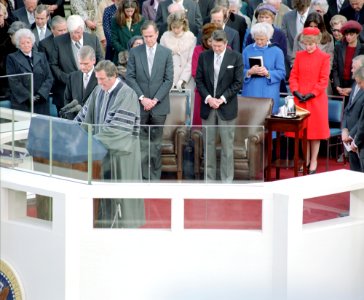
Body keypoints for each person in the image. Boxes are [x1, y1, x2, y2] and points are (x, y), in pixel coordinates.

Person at [75, 60, 145, 228]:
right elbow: (85, 116)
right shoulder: (99, 90)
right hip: (101, 151)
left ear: (114, 76)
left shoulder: (127, 94)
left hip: (121, 154)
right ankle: (104, 223)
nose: (99, 83)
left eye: (102, 79)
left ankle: (124, 226)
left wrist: (93, 141)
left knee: (122, 191)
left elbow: (119, 130)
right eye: (97, 79)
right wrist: (73, 133)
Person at [126, 20, 173, 180]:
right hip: (140, 105)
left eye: (151, 36)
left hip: (159, 107)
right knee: (141, 145)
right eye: (145, 36)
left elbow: (168, 80)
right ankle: (142, 178)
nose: (148, 39)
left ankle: (155, 178)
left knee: (156, 145)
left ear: (157, 34)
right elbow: (130, 77)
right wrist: (142, 98)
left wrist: (154, 100)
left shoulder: (166, 53)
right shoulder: (135, 52)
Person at [195, 29, 243, 182]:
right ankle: (209, 180)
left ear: (226, 44)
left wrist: (221, 99)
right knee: (208, 145)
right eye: (214, 46)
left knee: (227, 147)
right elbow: (199, 80)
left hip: (226, 107)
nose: (216, 49)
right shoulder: (204, 56)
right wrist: (209, 98)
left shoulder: (236, 57)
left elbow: (238, 83)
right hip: (208, 106)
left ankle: (226, 180)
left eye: (219, 46)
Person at [289, 27, 330, 174]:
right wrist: (295, 91)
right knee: (302, 133)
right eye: (306, 44)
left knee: (315, 132)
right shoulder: (299, 55)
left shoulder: (324, 57)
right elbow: (293, 76)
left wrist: (312, 94)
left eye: (311, 44)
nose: (308, 47)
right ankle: (305, 159)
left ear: (317, 42)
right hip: (300, 98)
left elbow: (324, 80)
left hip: (316, 100)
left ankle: (313, 161)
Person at [50, 14, 103, 113]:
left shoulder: (93, 39)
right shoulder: (58, 41)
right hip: (66, 90)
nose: (75, 35)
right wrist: (69, 79)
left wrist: (94, 77)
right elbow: (53, 64)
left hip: (91, 89)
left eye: (78, 32)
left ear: (83, 29)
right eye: (72, 33)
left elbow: (100, 60)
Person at [6, 28, 53, 115]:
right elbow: (13, 81)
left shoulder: (41, 56)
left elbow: (49, 77)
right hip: (23, 103)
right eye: (22, 43)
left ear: (32, 43)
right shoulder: (12, 58)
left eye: (28, 42)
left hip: (41, 102)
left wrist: (40, 95)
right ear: (18, 45)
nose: (26, 45)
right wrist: (28, 97)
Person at [242, 22, 286, 114]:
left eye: (262, 39)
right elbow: (239, 71)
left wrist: (268, 73)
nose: (259, 42)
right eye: (256, 39)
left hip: (269, 92)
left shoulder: (277, 51)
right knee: (250, 122)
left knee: (268, 123)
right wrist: (249, 72)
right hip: (250, 92)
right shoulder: (247, 50)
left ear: (268, 37)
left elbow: (282, 73)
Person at [160, 11, 196, 92]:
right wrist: (169, 79)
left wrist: (183, 79)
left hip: (186, 81)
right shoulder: (165, 37)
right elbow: (161, 60)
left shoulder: (191, 37)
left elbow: (191, 61)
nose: (176, 30)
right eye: (173, 27)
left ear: (183, 24)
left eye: (178, 27)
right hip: (168, 80)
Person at [191, 22, 218, 126]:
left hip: (220, 93)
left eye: (214, 41)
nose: (212, 44)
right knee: (199, 125)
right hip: (202, 92)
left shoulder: (226, 49)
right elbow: (195, 72)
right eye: (209, 41)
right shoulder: (198, 50)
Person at [331, 20, 364, 103]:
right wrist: (337, 86)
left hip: (356, 86)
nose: (348, 37)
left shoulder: (362, 49)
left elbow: (362, 73)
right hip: (339, 86)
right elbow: (335, 68)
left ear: (357, 34)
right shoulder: (338, 47)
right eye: (346, 34)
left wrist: (352, 88)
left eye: (351, 34)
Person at [61, 45, 98, 119]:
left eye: (86, 64)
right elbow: (67, 99)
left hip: (93, 122)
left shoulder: (100, 77)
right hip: (74, 121)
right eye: (80, 63)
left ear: (93, 60)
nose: (83, 67)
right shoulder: (73, 76)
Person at [341, 56, 364, 171]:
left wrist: (352, 136)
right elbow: (347, 109)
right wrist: (344, 129)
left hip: (359, 138)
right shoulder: (355, 85)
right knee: (354, 173)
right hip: (350, 139)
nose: (352, 70)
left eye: (354, 68)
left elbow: (362, 119)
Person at [111, 0, 144, 64]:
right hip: (121, 56)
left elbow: (143, 37)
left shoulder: (141, 19)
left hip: (138, 55)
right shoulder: (116, 20)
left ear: (135, 9)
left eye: (132, 11)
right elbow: (114, 40)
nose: (129, 13)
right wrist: (124, 51)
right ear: (123, 10)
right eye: (127, 11)